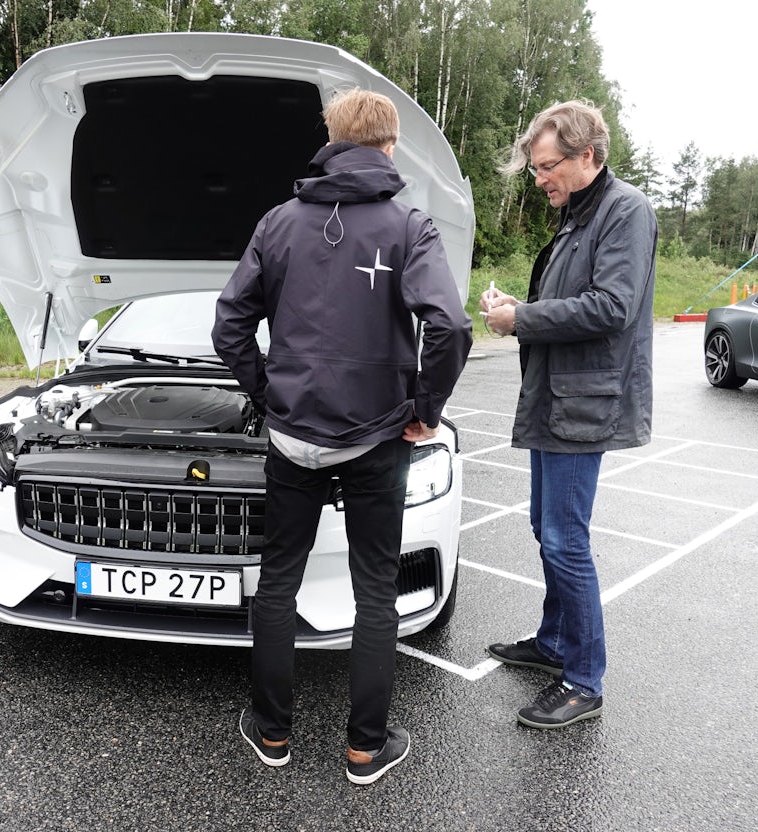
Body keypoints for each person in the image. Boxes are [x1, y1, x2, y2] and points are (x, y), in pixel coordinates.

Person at [212, 87, 473, 784]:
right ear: (390, 145)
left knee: (278, 584)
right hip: (378, 437)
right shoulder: (409, 226)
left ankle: (271, 735)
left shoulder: (277, 223)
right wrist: (426, 407)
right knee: (375, 592)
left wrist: (266, 394)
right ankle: (365, 747)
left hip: (293, 437)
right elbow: (449, 325)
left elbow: (228, 324)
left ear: (329, 139)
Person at [480, 99, 657, 729]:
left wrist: (522, 318)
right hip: (558, 397)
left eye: (548, 167)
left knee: (565, 539)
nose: (540, 180)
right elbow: (568, 298)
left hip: (585, 403)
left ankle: (583, 680)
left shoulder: (625, 211)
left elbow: (611, 306)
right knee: (545, 526)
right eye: (534, 170)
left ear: (588, 155)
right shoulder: (579, 213)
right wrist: (516, 305)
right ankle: (554, 644)